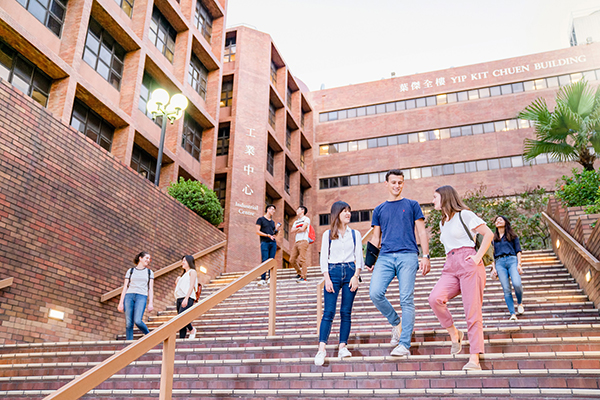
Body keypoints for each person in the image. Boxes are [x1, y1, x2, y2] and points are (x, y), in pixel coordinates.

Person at [428, 185, 494, 370]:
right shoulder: (443, 222)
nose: (432, 201)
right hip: (450, 265)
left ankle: (474, 359)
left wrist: (477, 257)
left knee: (472, 312)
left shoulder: (464, 215)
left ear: (445, 197)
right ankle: (455, 333)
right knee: (435, 299)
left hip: (469, 262)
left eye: (435, 197)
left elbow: (488, 233)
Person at [367, 169, 430, 357]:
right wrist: (369, 259)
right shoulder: (379, 209)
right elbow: (375, 236)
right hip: (385, 256)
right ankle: (396, 323)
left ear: (403, 184)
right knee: (375, 293)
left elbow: (421, 232)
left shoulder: (412, 205)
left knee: (406, 299)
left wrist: (425, 256)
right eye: (393, 182)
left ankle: (404, 343)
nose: (397, 186)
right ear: (386, 184)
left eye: (400, 182)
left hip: (408, 256)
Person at [314, 201, 363, 366]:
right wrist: (326, 278)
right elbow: (323, 259)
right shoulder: (327, 234)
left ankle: (343, 346)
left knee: (346, 312)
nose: (348, 214)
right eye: (344, 211)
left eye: (349, 211)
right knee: (328, 312)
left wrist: (356, 275)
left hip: (350, 271)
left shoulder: (355, 234)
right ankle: (321, 350)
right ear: (337, 214)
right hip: (333, 272)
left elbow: (359, 257)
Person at [490, 215, 524, 321]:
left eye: (501, 219)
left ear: (505, 222)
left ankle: (519, 302)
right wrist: (493, 268)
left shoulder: (512, 236)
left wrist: (519, 264)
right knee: (506, 289)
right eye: (496, 220)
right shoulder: (493, 238)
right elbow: (491, 254)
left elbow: (518, 250)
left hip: (512, 260)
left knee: (517, 283)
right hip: (499, 263)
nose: (498, 221)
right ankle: (512, 313)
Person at [117, 251, 154, 340]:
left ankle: (150, 336)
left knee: (137, 320)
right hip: (129, 296)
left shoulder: (149, 272)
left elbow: (150, 288)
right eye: (146, 258)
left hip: (142, 296)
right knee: (129, 323)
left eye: (149, 258)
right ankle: (129, 345)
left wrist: (151, 303)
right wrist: (121, 302)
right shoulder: (131, 271)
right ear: (140, 258)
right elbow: (125, 287)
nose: (148, 260)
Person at [174, 255, 199, 339]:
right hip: (179, 298)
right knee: (181, 321)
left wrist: (186, 298)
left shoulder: (192, 272)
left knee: (182, 317)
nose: (182, 262)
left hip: (187, 297)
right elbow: (181, 288)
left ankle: (192, 329)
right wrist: (177, 282)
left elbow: (191, 286)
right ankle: (181, 339)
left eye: (184, 260)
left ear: (189, 261)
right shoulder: (182, 276)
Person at [255, 204, 280, 286]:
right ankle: (262, 279)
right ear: (268, 209)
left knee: (271, 260)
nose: (273, 211)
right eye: (272, 209)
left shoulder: (272, 222)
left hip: (272, 243)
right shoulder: (260, 219)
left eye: (274, 210)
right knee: (264, 260)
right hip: (264, 242)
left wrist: (277, 229)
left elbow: (273, 234)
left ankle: (270, 278)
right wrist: (267, 235)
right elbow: (257, 231)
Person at [290, 206, 310, 282]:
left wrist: (298, 229)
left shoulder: (306, 219)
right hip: (297, 242)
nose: (296, 211)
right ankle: (299, 273)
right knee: (292, 259)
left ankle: (304, 277)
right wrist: (299, 228)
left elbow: (303, 229)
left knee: (302, 259)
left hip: (303, 241)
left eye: (298, 209)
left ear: (302, 210)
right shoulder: (296, 221)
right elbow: (292, 231)